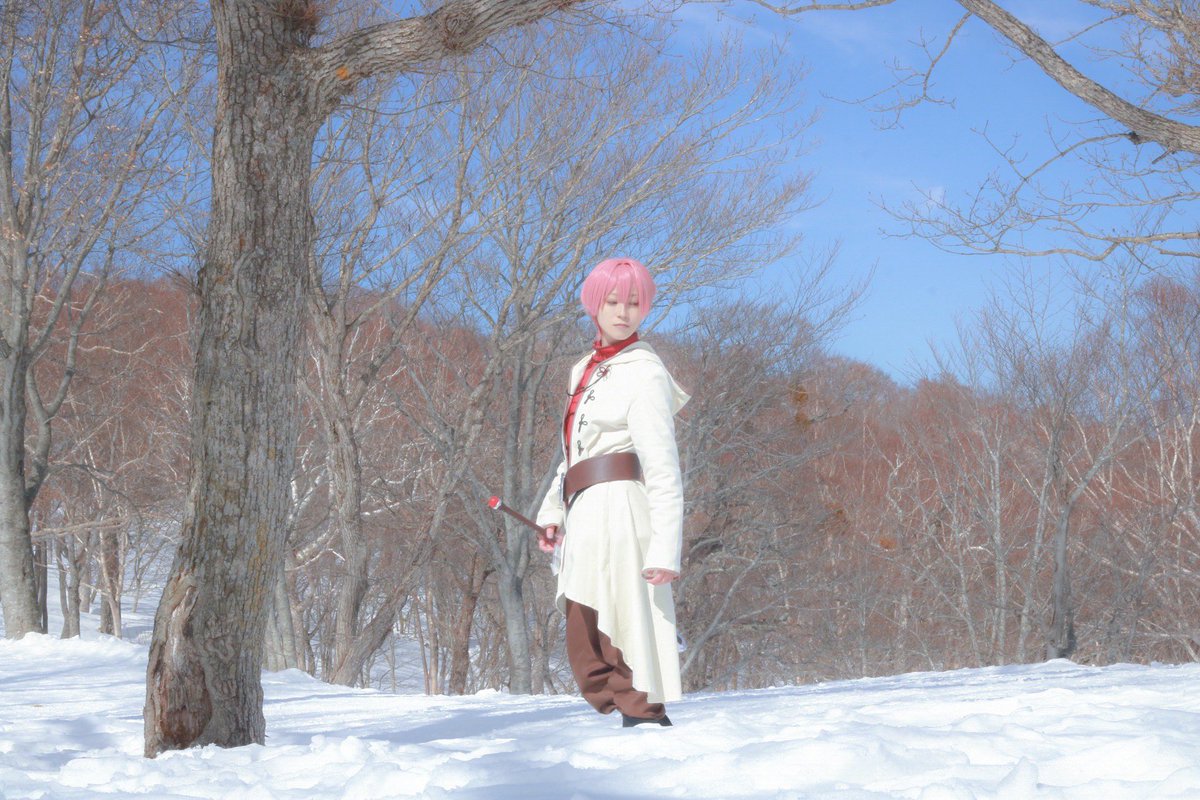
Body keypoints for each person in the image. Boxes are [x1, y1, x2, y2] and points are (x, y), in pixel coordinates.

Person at [535, 257, 689, 728]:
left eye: (635, 303)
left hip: (623, 509)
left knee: (624, 629)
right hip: (584, 511)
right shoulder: (583, 370)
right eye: (614, 301)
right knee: (584, 637)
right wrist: (552, 511)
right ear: (594, 305)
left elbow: (662, 465)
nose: (623, 313)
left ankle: (645, 724)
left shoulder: (645, 370)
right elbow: (573, 453)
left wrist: (665, 548)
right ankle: (622, 728)